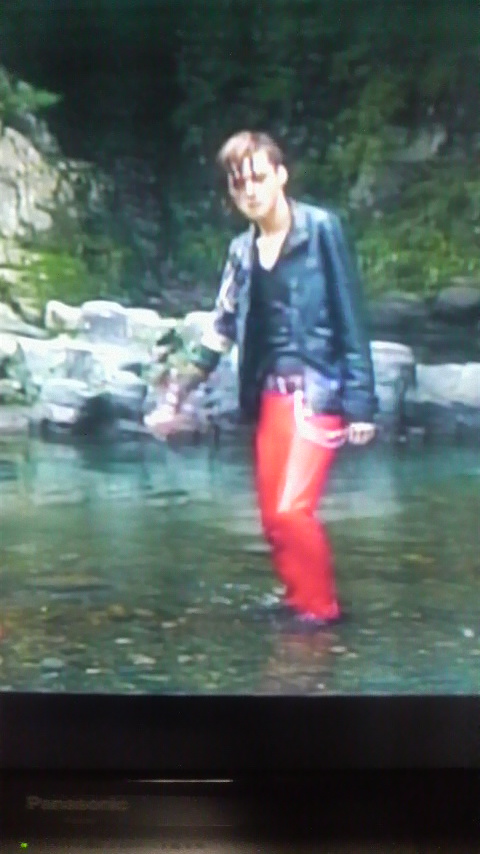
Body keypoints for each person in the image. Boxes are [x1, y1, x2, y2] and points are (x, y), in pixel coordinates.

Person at [146, 130, 377, 631]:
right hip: (269, 398)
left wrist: (361, 403)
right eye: (239, 184)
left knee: (292, 511)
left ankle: (321, 613)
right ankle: (297, 599)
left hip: (318, 393)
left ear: (281, 176)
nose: (250, 191)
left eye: (258, 178)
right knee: (273, 520)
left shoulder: (322, 230)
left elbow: (351, 316)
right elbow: (221, 327)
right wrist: (177, 392)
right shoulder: (240, 251)